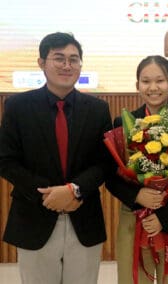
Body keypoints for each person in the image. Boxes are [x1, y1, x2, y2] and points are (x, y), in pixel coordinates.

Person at [0, 32, 113, 283]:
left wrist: (74, 190)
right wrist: (49, 195)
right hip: (34, 216)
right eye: (59, 58)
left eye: (74, 59)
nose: (66, 65)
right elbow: (6, 160)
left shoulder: (97, 109)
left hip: (84, 217)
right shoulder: (17, 106)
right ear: (42, 63)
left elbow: (105, 162)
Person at [105, 55, 168, 284]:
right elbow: (110, 176)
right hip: (133, 215)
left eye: (160, 81)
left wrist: (163, 217)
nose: (153, 87)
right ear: (137, 85)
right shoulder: (123, 122)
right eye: (146, 81)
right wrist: (137, 196)